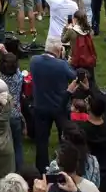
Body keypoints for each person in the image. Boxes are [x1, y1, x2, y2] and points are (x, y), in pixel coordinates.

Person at [29, 38, 76, 171]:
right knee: (65, 138)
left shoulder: (34, 61)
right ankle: (66, 164)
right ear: (59, 50)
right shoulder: (61, 65)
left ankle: (42, 169)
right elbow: (73, 77)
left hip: (40, 106)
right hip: (59, 107)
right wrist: (67, 63)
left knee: (42, 141)